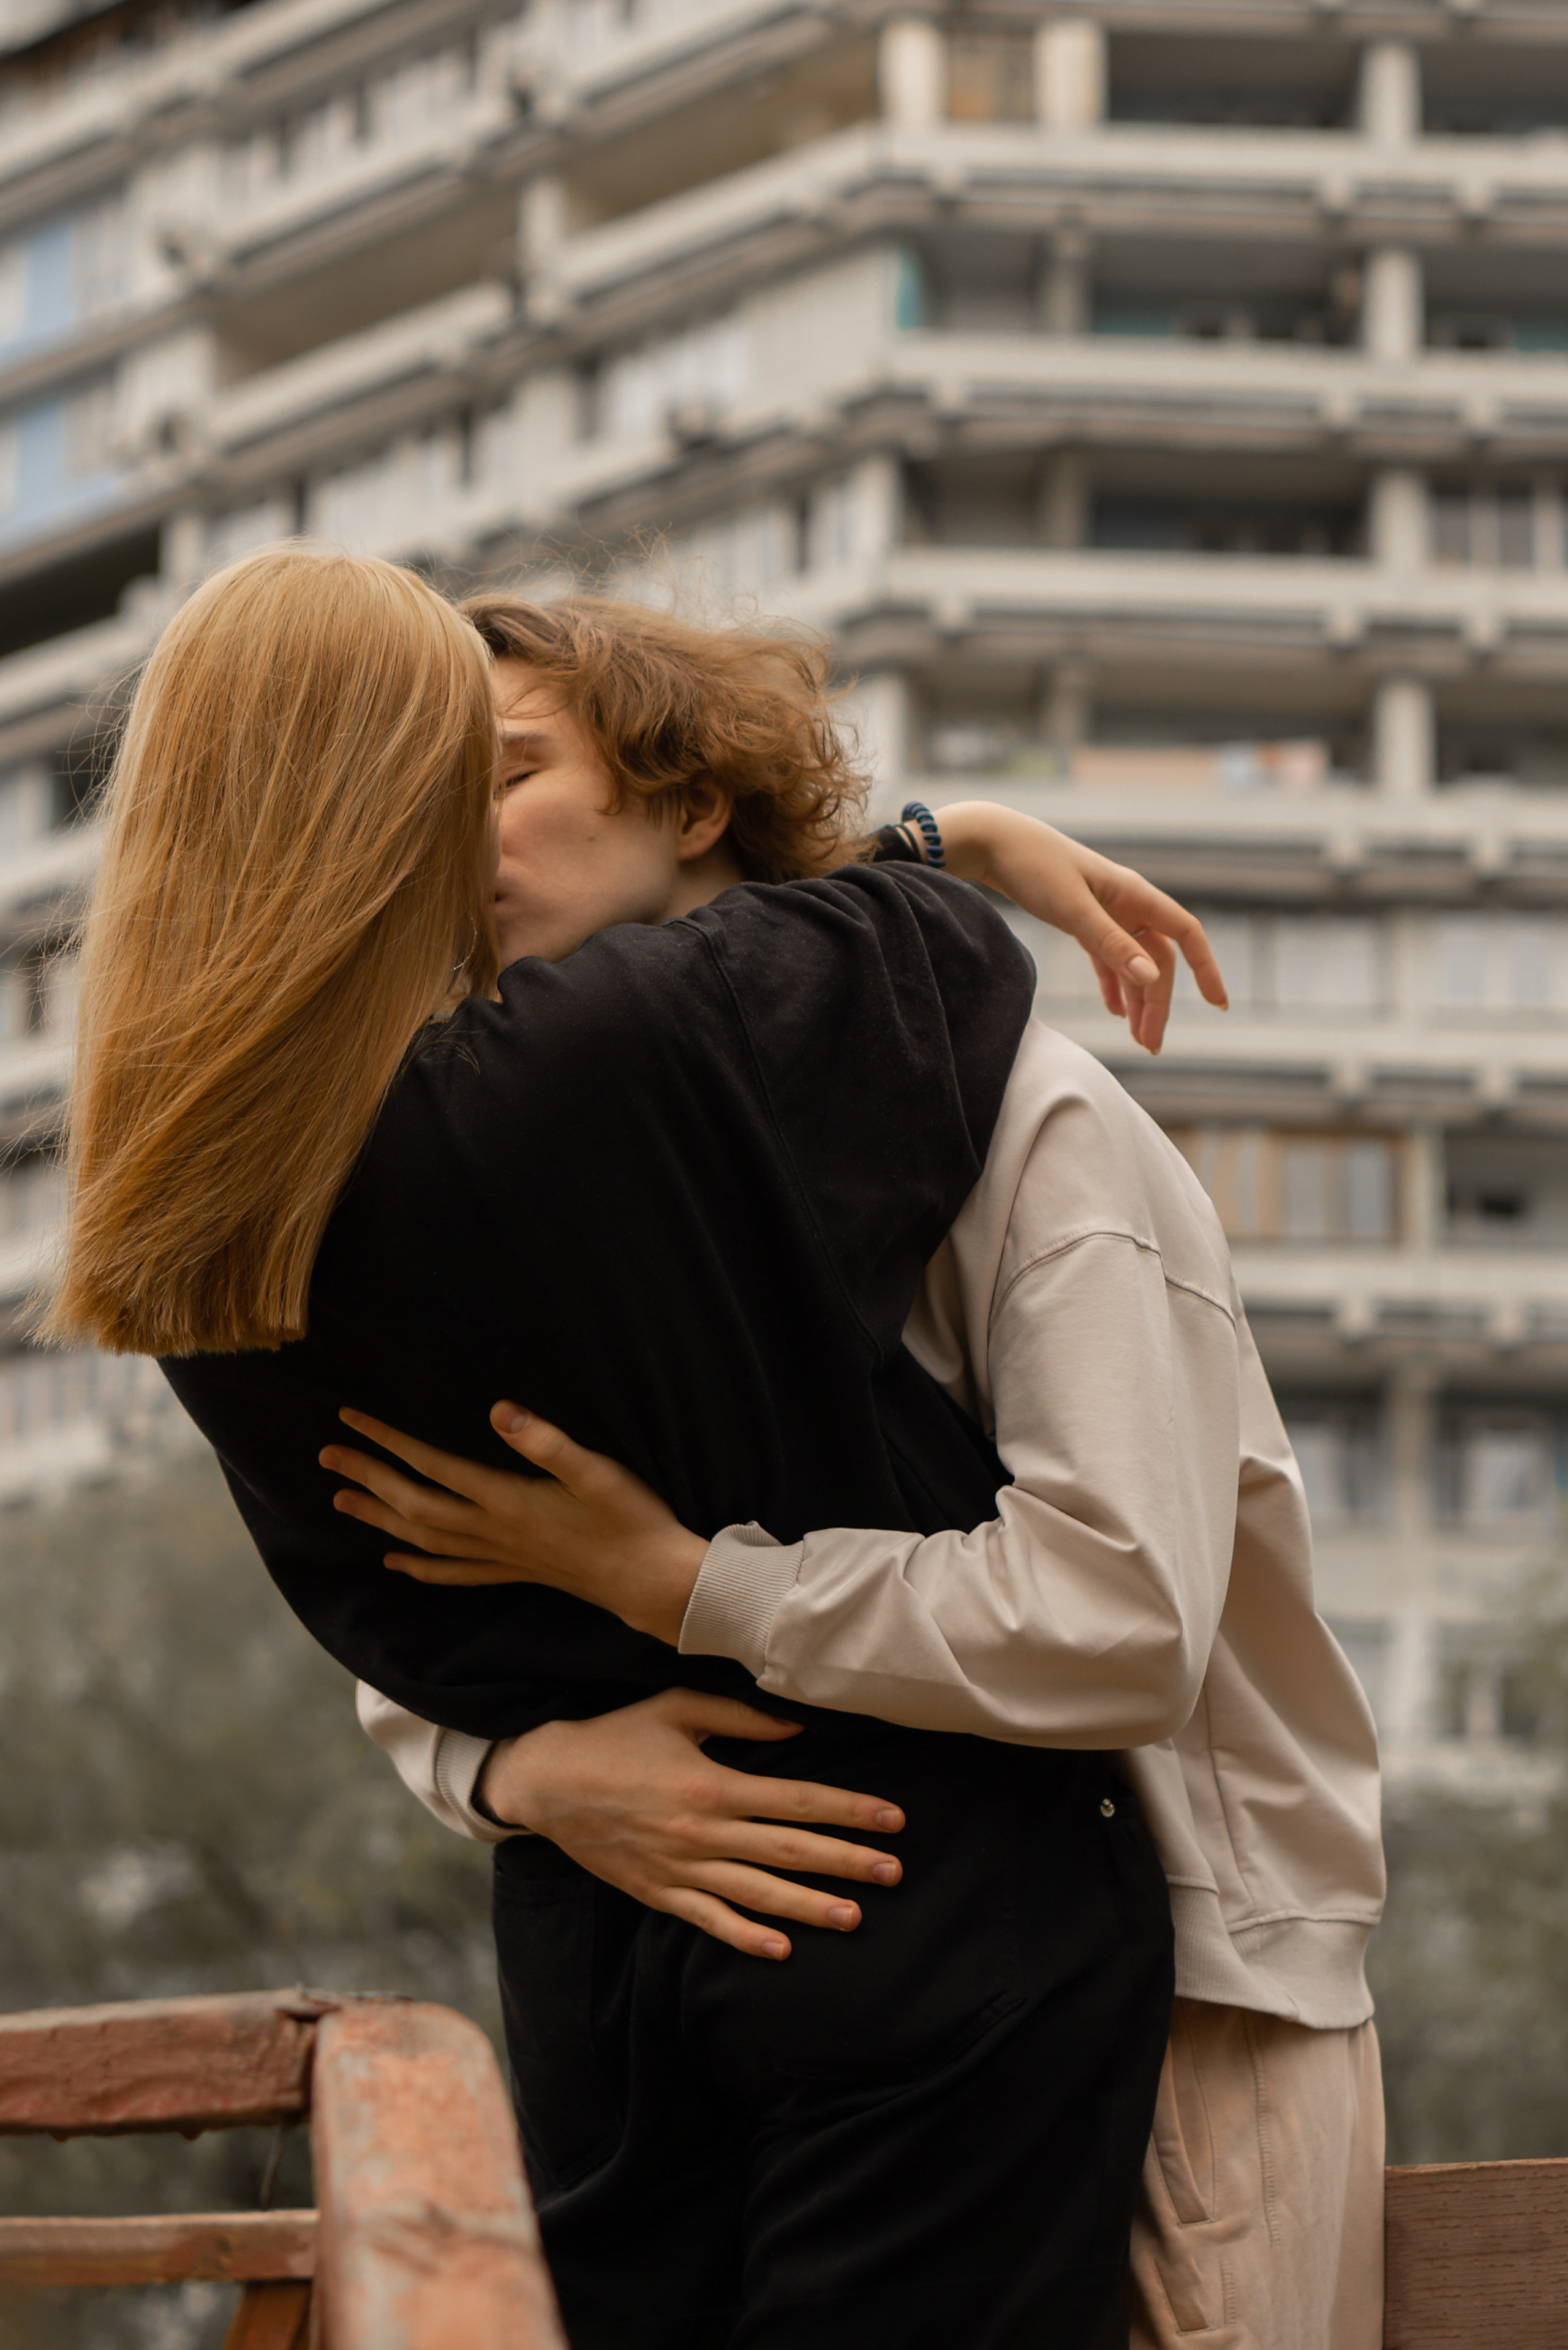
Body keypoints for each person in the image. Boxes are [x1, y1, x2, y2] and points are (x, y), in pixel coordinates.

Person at [48, 544, 1226, 2350]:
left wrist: (526, 1762)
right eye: (447, 779)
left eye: (506, 775)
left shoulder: (182, 1229)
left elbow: (402, 1633)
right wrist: (950, 840)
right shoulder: (599, 1066)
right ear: (376, 814)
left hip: (600, 1971)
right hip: (914, 1894)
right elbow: (897, 951)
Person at [323, 601, 1386, 2350]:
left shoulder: (1036, 1125)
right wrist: (520, 1770)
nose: (454, 839)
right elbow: (422, 1578)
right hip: (747, 2036)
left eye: (507, 776)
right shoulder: (539, 1173)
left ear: (692, 803)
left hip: (1196, 2004)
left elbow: (1120, 1617)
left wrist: (682, 1583)